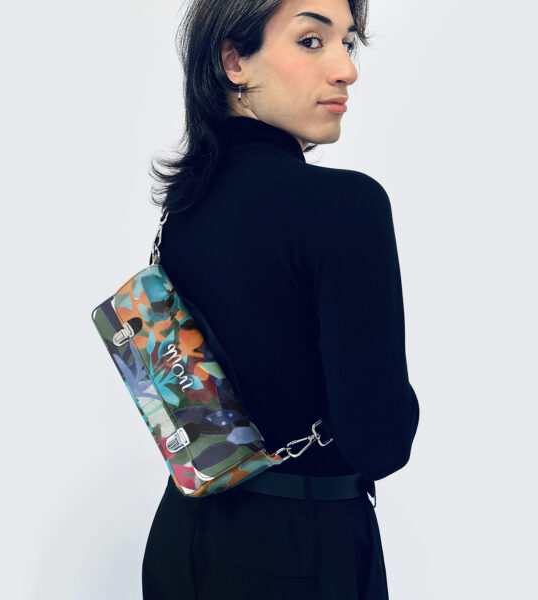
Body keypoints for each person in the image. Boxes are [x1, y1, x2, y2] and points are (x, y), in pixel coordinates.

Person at [141, 0, 420, 598]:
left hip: (179, 540)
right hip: (303, 554)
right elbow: (381, 442)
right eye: (312, 41)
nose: (347, 70)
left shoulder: (183, 210)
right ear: (234, 61)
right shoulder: (346, 206)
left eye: (349, 43)